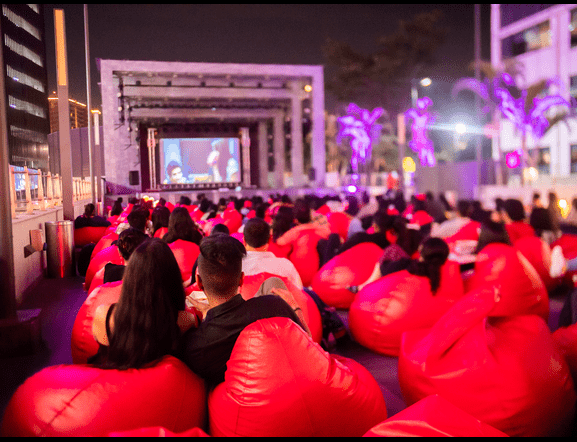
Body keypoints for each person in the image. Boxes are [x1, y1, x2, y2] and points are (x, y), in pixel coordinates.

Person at [178, 234, 305, 387]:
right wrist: (296, 308)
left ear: (198, 282)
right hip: (284, 385)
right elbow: (308, 345)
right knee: (272, 283)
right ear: (241, 279)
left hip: (234, 404)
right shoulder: (275, 305)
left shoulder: (196, 347)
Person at [91, 238, 194, 369]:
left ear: (129, 277)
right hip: (159, 386)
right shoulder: (185, 320)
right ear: (172, 279)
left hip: (114, 386)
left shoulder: (103, 315)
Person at [242, 218, 303, 289]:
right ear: (269, 240)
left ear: (244, 241)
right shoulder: (285, 266)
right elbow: (299, 291)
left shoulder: (235, 267)